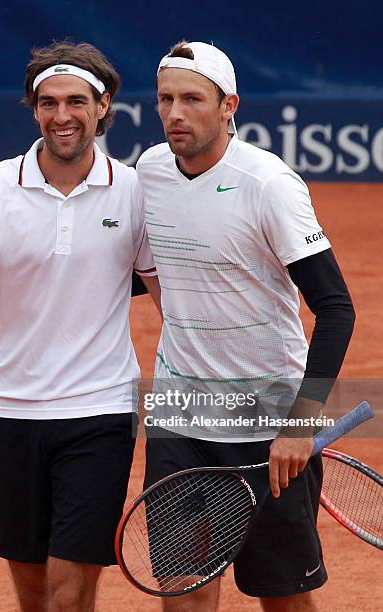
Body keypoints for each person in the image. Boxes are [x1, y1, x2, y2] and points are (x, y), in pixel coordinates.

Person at [0, 39, 160, 612]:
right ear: (34, 109)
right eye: (49, 103)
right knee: (33, 593)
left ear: (104, 105)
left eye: (76, 102)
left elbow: (173, 302)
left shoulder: (135, 191)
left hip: (99, 413)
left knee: (68, 593)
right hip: (9, 412)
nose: (62, 116)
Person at [136, 41, 355, 612]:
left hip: (266, 420)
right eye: (165, 99)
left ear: (229, 104)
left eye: (192, 99)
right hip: (180, 419)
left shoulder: (268, 185)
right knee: (182, 592)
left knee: (281, 599)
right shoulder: (151, 171)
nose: (175, 114)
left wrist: (300, 423)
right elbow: (148, 268)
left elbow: (335, 307)